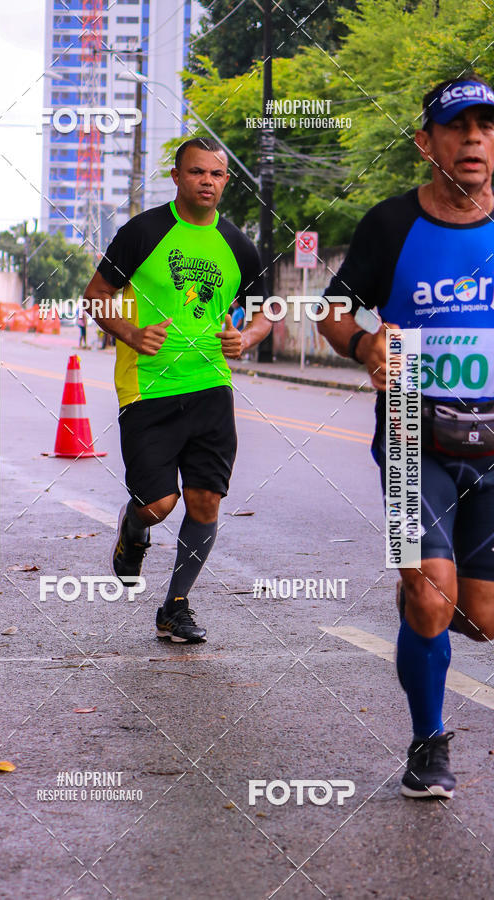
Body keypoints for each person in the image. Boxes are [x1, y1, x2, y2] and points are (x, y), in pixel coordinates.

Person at [318, 75, 494, 799]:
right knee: (429, 596)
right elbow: (331, 312)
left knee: (480, 617)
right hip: (410, 434)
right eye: (458, 127)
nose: (475, 139)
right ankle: (428, 741)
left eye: (486, 127)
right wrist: (364, 344)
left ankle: (431, 604)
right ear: (427, 143)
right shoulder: (391, 225)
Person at [84, 136, 271, 643]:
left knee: (205, 501)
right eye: (196, 172)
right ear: (177, 176)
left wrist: (247, 338)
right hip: (147, 388)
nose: (206, 181)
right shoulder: (142, 232)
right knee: (159, 503)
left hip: (211, 385)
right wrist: (130, 333)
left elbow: (265, 313)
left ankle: (176, 605)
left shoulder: (238, 246)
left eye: (216, 174)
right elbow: (95, 295)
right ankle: (134, 526)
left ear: (226, 181)